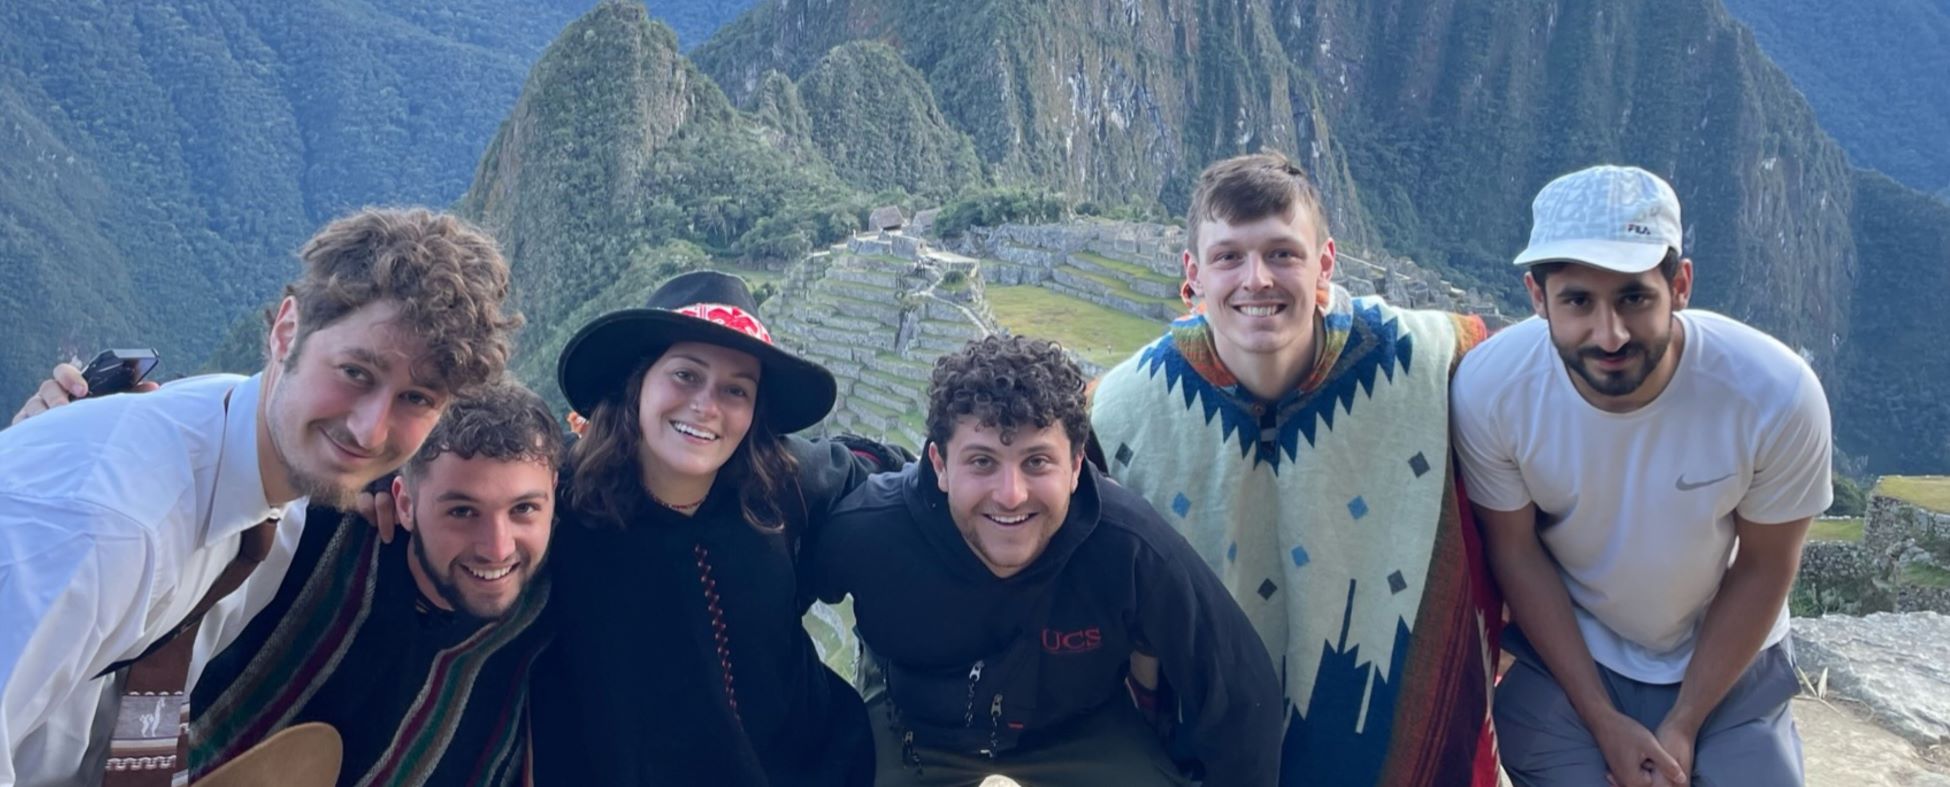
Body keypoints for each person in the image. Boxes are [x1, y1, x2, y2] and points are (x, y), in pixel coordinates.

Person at [0, 207, 519, 787]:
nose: (371, 430)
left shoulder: (263, 483)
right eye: (354, 373)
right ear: (286, 331)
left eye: (417, 399)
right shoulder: (112, 525)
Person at [1089, 152, 1505, 786]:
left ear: (1325, 265)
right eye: (1229, 257)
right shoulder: (1123, 415)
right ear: (1192, 275)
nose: (1256, 279)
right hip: (1214, 758)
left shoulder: (1436, 363)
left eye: (1282, 253)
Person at [1452, 165, 1829, 787]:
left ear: (1679, 285)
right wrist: (1603, 720)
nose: (1610, 334)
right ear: (1536, 297)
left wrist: (1684, 721)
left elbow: (1765, 565)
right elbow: (1516, 554)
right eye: (1578, 301)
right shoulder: (1494, 391)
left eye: (1634, 297)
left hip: (1728, 658)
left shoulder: (1774, 394)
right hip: (1572, 656)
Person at [808, 335, 1282, 786]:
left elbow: (1239, 692)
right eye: (982, 462)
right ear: (939, 465)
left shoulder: (1130, 546)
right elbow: (766, 612)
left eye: (1037, 462)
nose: (1011, 496)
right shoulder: (871, 529)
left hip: (1078, 725)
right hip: (911, 718)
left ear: (1077, 465)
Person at [532, 270, 892, 787]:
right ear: (638, 383)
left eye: (735, 389)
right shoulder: (557, 502)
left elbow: (888, 472)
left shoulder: (782, 482)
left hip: (815, 767)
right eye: (685, 374)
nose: (706, 405)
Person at [186, 382, 561, 786]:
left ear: (555, 493)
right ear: (403, 503)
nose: (497, 548)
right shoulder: (311, 537)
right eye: (462, 511)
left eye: (524, 508)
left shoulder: (553, 591)